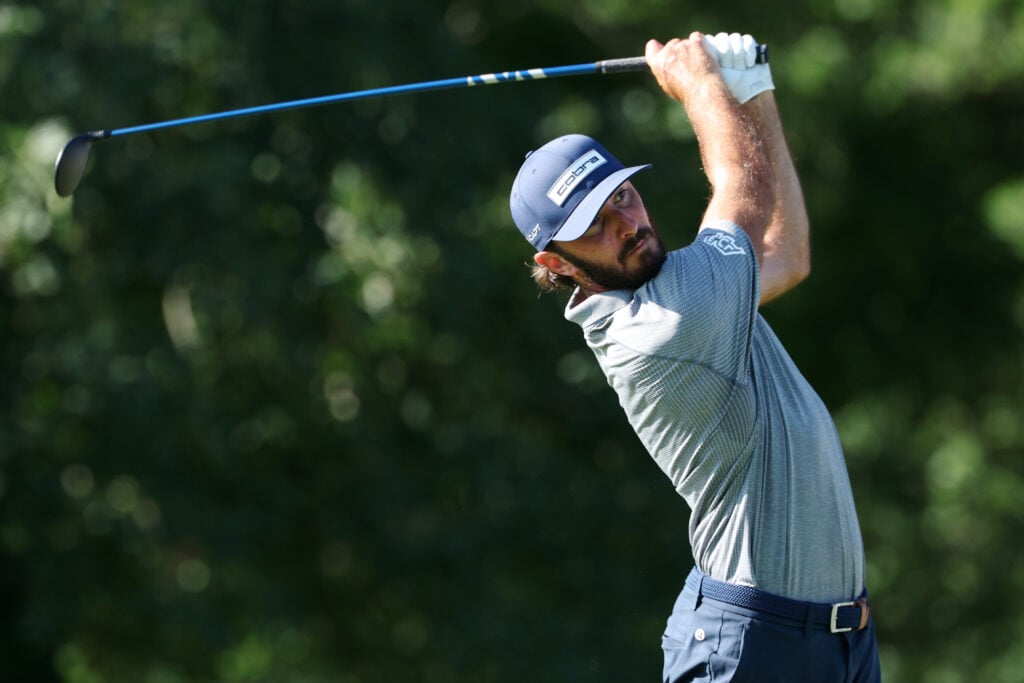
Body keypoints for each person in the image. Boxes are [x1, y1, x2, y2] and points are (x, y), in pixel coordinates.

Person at [508, 32, 881, 682]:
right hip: (754, 645)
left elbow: (787, 254)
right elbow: (743, 186)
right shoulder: (663, 327)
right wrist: (701, 82)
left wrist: (755, 87)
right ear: (555, 263)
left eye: (622, 196)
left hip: (838, 641)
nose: (625, 223)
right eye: (594, 224)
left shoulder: (693, 291)